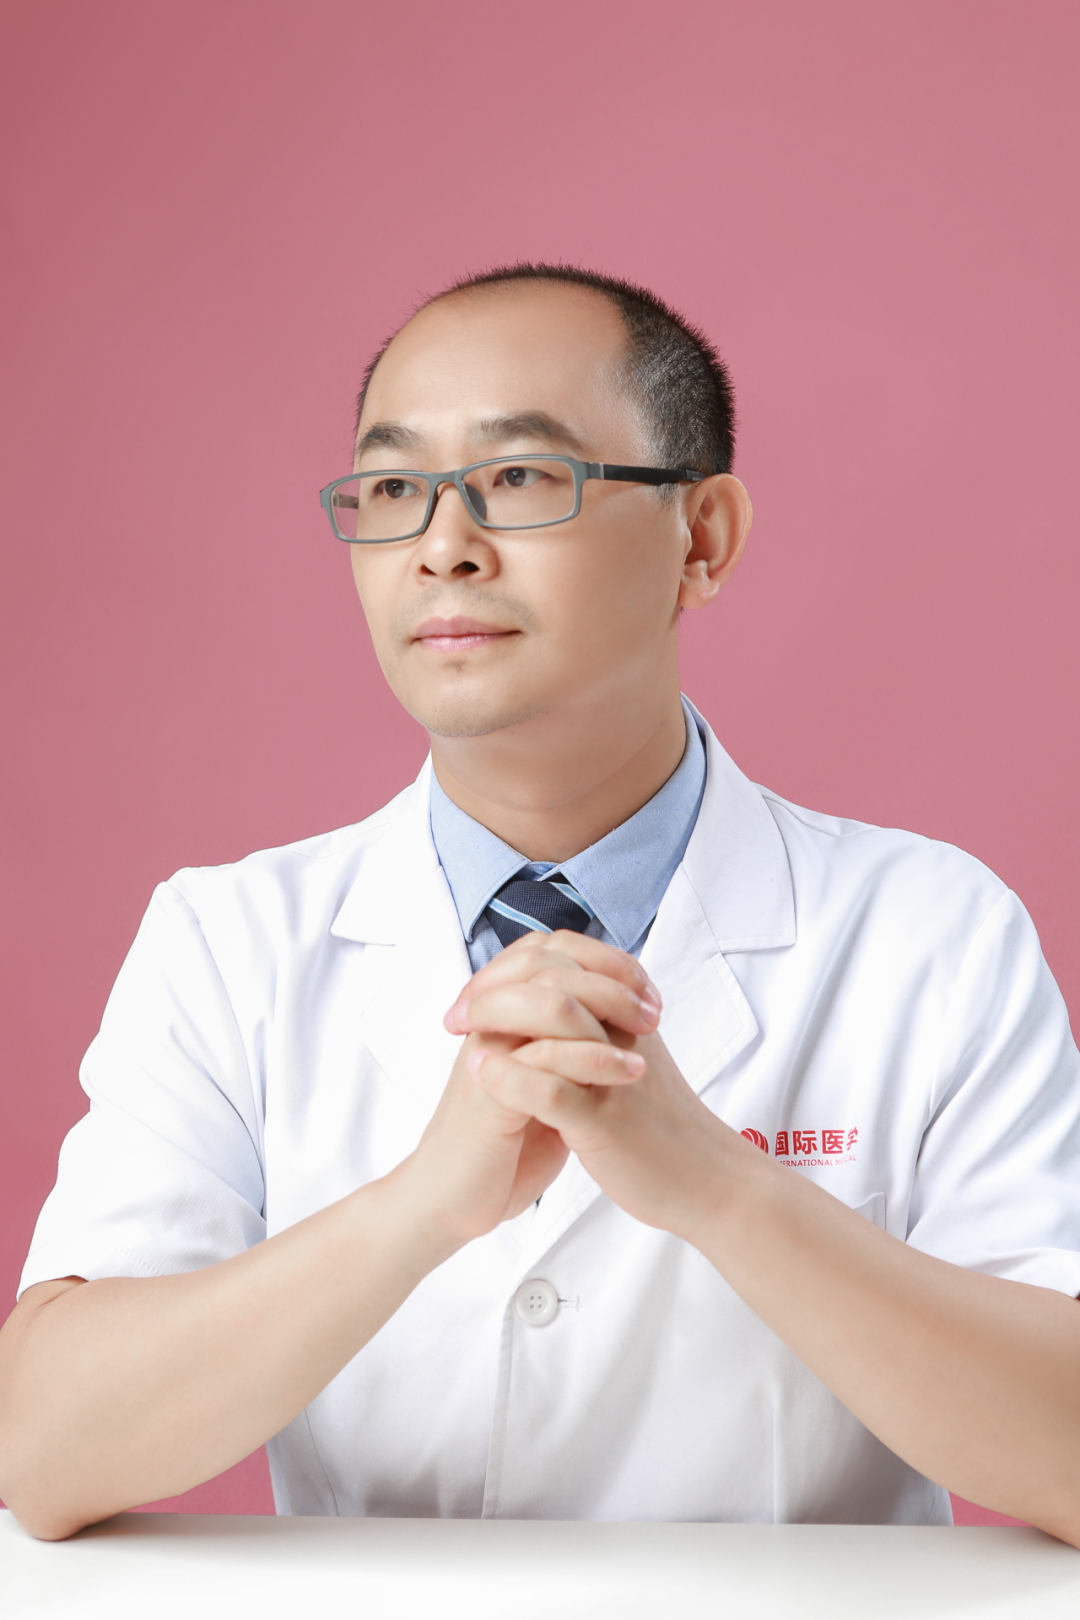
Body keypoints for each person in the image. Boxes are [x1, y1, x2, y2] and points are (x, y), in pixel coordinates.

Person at [1, 264, 1079, 1545]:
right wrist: (422, 1207)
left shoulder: (931, 933)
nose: (442, 546)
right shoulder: (230, 941)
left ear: (702, 537)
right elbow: (43, 1449)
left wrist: (719, 1189)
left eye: (519, 477)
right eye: (393, 490)